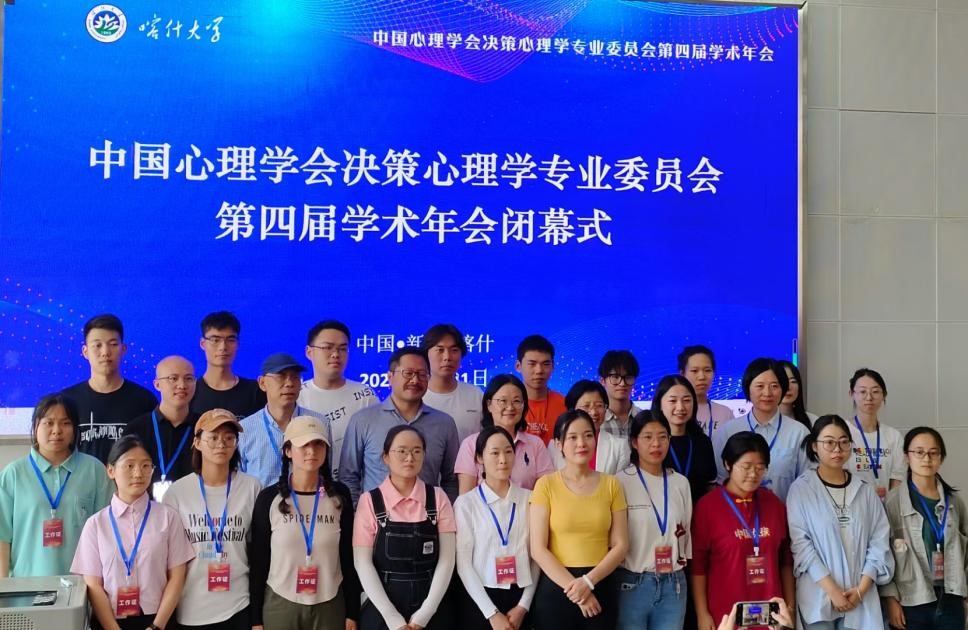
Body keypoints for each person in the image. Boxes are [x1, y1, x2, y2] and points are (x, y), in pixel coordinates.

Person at [71, 435, 195, 630]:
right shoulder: (95, 524)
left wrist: (156, 626)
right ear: (111, 470)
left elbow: (177, 576)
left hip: (159, 620)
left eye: (146, 466)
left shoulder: (168, 517)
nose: (138, 473)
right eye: (129, 466)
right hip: (109, 621)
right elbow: (93, 585)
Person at [250, 416, 360, 630]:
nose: (312, 451)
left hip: (330, 602)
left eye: (318, 444)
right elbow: (259, 561)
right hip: (281, 603)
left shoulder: (339, 496)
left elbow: (348, 556)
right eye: (303, 444)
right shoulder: (268, 499)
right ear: (288, 451)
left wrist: (352, 612)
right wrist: (256, 620)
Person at [786, 415, 892, 629]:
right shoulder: (801, 489)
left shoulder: (864, 490)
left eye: (844, 442)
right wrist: (833, 591)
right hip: (818, 596)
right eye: (829, 442)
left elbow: (879, 542)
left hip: (860, 597)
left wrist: (861, 589)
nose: (837, 449)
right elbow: (801, 546)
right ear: (814, 446)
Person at [162, 408, 262, 630]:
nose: (221, 444)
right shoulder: (177, 493)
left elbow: (257, 550)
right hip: (191, 609)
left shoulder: (252, 487)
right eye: (213, 437)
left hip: (238, 605)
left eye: (229, 438)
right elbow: (169, 560)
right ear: (197, 443)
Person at [529, 410, 629, 630]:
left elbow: (621, 545)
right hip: (557, 587)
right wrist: (579, 592)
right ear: (558, 444)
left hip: (600, 583)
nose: (581, 443)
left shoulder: (612, 484)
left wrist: (589, 582)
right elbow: (538, 548)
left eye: (588, 435)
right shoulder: (545, 485)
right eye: (572, 437)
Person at [353, 425, 457, 630]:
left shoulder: (438, 497)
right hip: (383, 606)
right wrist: (393, 619)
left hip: (432, 605)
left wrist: (424, 615)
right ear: (386, 457)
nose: (410, 458)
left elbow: (447, 560)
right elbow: (362, 563)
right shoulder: (370, 501)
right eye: (401, 451)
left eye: (417, 451)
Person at [0, 393, 112, 577]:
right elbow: (2, 538)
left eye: (65, 423)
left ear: (75, 428)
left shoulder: (95, 470)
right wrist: (4, 588)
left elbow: (108, 534)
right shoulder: (13, 474)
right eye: (48, 423)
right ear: (35, 426)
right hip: (26, 586)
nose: (57, 430)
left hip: (82, 585)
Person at [692, 432, 795, 630]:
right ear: (728, 464)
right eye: (746, 467)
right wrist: (702, 613)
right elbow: (698, 567)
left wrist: (789, 607)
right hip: (725, 613)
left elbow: (786, 561)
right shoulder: (708, 507)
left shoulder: (773, 504)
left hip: (771, 613)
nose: (753, 474)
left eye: (760, 467)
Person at [340, 347, 459, 505]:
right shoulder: (363, 420)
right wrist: (358, 513)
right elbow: (348, 477)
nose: (415, 380)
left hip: (428, 517)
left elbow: (451, 480)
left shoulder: (444, 423)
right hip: (375, 518)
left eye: (422, 374)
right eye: (408, 373)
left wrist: (444, 514)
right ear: (390, 377)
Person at [881, 427, 968, 630]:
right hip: (910, 600)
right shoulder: (892, 502)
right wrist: (890, 599)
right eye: (919, 452)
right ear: (906, 457)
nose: (926, 459)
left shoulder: (954, 502)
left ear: (941, 458)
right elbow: (883, 553)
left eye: (933, 453)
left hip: (951, 598)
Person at [614, 411, 692, 630]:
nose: (656, 444)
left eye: (662, 436)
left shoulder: (680, 483)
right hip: (632, 582)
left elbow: (686, 532)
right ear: (634, 442)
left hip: (673, 584)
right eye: (647, 437)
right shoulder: (619, 482)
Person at [454, 426, 538, 629]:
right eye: (494, 453)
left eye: (508, 451)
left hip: (522, 596)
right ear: (479, 458)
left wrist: (523, 606)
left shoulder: (530, 499)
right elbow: (464, 564)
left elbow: (537, 557)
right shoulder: (466, 503)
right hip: (480, 598)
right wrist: (491, 614)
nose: (503, 459)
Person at [62, 313, 157, 464]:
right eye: (97, 345)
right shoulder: (67, 400)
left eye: (113, 344)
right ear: (85, 352)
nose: (105, 352)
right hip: (82, 479)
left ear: (123, 349)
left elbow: (153, 452)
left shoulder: (145, 400)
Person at [713, 358, 810, 502]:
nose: (767, 393)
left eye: (774, 386)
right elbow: (721, 481)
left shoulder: (799, 433)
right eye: (760, 386)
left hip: (785, 512)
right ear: (748, 388)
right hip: (737, 513)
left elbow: (807, 483)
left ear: (783, 389)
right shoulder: (729, 431)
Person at [239, 353, 331, 488]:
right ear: (262, 383)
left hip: (309, 500)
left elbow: (327, 471)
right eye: (281, 376)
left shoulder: (318, 423)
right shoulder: (244, 429)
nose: (289, 383)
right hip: (260, 501)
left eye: (295, 377)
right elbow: (238, 482)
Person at [298, 319, 378, 474]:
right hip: (307, 484)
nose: (335, 354)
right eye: (327, 347)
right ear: (309, 352)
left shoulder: (365, 395)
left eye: (342, 349)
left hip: (355, 485)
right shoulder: (297, 394)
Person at [455, 374, 555, 494]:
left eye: (516, 401)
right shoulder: (471, 444)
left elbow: (545, 493)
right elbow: (466, 497)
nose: (510, 407)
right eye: (503, 401)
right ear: (489, 405)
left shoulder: (535, 444)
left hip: (526, 506)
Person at [123, 355, 200, 501]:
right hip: (147, 510)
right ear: (157, 384)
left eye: (189, 378)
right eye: (173, 378)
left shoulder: (204, 427)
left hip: (195, 510)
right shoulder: (136, 430)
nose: (182, 385)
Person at [653, 374, 717, 505]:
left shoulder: (703, 442)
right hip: (661, 514)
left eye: (686, 400)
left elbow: (710, 486)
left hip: (699, 514)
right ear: (660, 404)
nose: (680, 407)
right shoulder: (652, 443)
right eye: (672, 401)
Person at [191, 311, 266, 418]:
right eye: (215, 340)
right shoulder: (190, 392)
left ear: (238, 343)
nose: (223, 347)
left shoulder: (256, 392)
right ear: (202, 344)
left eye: (230, 340)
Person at [547, 380, 629, 476]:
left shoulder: (619, 446)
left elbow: (619, 483)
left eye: (599, 405)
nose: (594, 412)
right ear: (572, 410)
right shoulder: (554, 446)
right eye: (586, 406)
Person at [846, 368, 905, 500]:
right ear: (851, 394)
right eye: (862, 392)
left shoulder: (893, 436)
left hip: (885, 508)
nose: (869, 397)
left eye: (875, 391)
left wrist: (889, 503)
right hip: (852, 505)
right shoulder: (842, 432)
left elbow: (897, 478)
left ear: (884, 395)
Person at [421, 323, 484, 443]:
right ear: (426, 354)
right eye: (440, 350)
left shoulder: (476, 395)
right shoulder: (416, 397)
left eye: (454, 350)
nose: (447, 357)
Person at [516, 335, 566, 445]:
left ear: (553, 366)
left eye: (546, 364)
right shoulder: (509, 406)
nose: (539, 370)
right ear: (518, 366)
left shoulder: (565, 404)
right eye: (532, 364)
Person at [678, 345, 734, 439]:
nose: (702, 377)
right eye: (694, 371)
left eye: (707, 370)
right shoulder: (674, 411)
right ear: (682, 374)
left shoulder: (725, 413)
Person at [597, 350, 643, 440]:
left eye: (628, 377)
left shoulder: (644, 419)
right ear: (602, 381)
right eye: (615, 377)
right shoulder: (596, 420)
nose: (622, 383)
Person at [777, 360, 817, 430]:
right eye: (782, 381)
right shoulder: (764, 422)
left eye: (793, 381)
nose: (788, 387)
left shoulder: (813, 421)